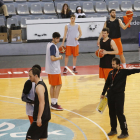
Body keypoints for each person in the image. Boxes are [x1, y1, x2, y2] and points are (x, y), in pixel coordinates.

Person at [101, 57, 140, 139]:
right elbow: (107, 84)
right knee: (111, 113)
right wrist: (103, 93)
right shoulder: (111, 73)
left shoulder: (123, 72)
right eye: (112, 64)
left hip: (119, 95)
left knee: (120, 114)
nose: (112, 66)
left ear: (118, 65)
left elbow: (134, 70)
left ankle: (125, 132)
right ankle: (113, 129)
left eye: (114, 64)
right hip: (110, 95)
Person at [26, 67, 51, 140]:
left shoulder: (39, 87)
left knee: (29, 138)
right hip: (46, 116)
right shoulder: (41, 84)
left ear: (36, 76)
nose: (29, 78)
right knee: (43, 138)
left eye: (30, 76)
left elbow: (42, 103)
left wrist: (39, 118)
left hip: (41, 117)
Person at [45, 32, 63, 111]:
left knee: (53, 86)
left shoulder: (49, 44)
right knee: (59, 85)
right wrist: (59, 57)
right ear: (53, 38)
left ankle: (52, 102)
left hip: (50, 69)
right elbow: (52, 58)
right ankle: (54, 103)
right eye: (57, 38)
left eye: (58, 38)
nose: (58, 40)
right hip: (54, 69)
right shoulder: (52, 46)